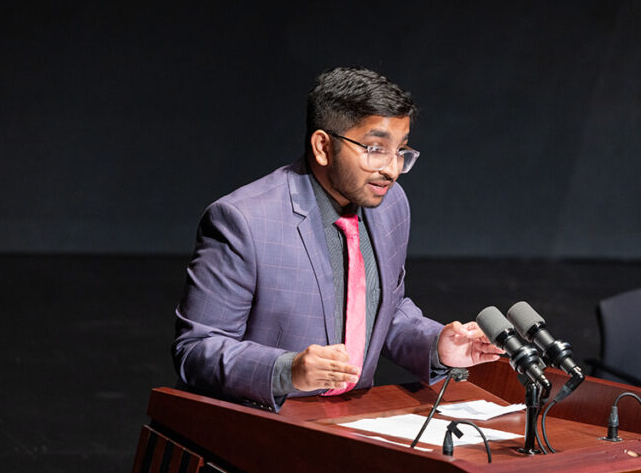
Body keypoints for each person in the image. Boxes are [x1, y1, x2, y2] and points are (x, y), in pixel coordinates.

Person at [173, 67, 499, 411]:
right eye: (375, 148)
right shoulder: (243, 220)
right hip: (260, 422)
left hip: (346, 420)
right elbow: (196, 348)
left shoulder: (390, 205)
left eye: (400, 151)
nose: (391, 168)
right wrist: (287, 370)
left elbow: (380, 309)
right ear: (323, 147)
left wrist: (435, 346)